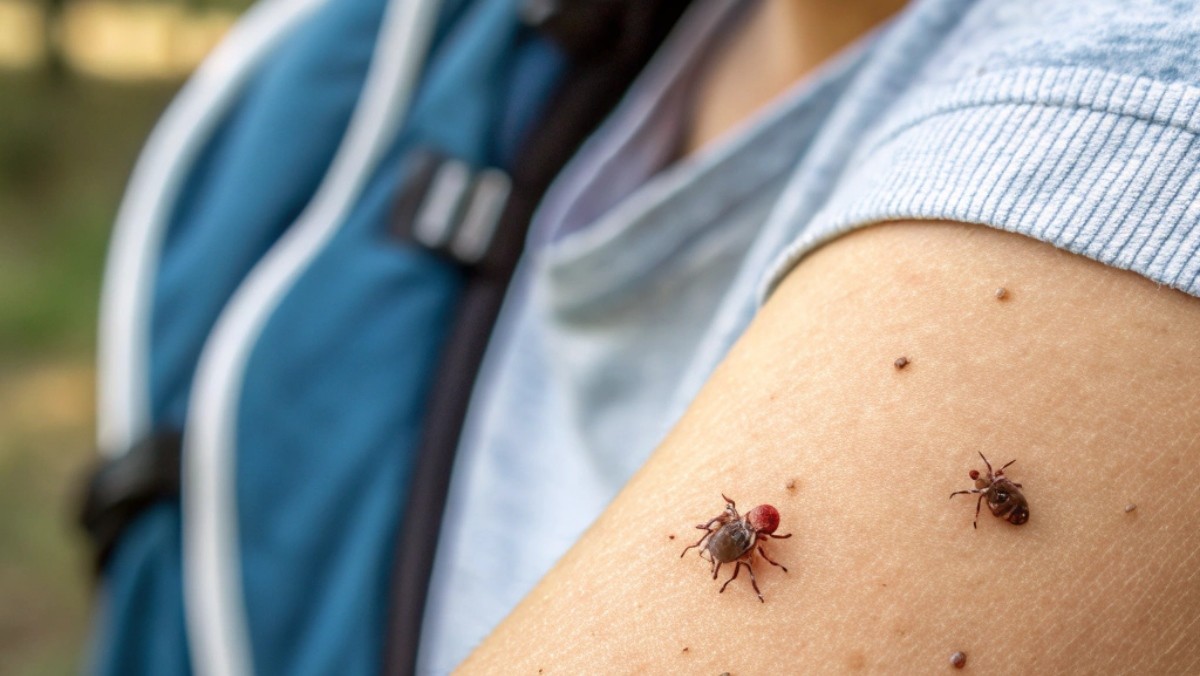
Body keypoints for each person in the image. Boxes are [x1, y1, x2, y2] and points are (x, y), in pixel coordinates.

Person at [415, 0, 1200, 672]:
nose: (744, 530)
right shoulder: (476, 40)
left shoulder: (1137, 106)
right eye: (744, 529)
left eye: (742, 529)